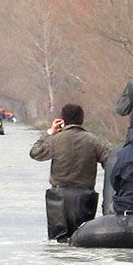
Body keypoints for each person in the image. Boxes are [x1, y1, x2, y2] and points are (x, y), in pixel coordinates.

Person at [30, 103, 111, 241]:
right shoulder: (94, 141)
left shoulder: (55, 140)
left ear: (63, 120)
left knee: (58, 242)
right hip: (85, 198)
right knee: (82, 240)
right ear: (82, 119)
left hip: (58, 198)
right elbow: (110, 164)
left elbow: (35, 153)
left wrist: (49, 132)